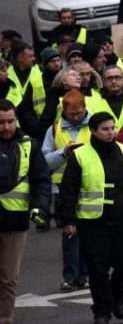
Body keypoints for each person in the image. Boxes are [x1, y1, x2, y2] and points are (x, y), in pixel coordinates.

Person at [58, 112, 123, 324]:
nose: (110, 133)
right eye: (105, 129)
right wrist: (69, 220)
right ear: (93, 131)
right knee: (98, 269)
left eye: (112, 128)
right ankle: (102, 312)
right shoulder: (81, 155)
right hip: (93, 221)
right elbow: (68, 189)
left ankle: (116, 295)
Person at [0, 100, 50, 324]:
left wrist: (39, 206)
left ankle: (5, 318)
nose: (6, 127)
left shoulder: (29, 146)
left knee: (8, 277)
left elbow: (41, 180)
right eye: (1, 122)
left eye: (10, 121)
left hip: (15, 222)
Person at [41, 89, 91, 292]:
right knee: (70, 233)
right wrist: (63, 153)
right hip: (64, 189)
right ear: (64, 110)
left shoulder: (94, 126)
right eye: (72, 114)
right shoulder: (54, 129)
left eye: (79, 113)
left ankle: (85, 275)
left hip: (90, 186)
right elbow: (44, 161)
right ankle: (70, 277)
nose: (76, 117)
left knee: (88, 233)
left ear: (85, 108)